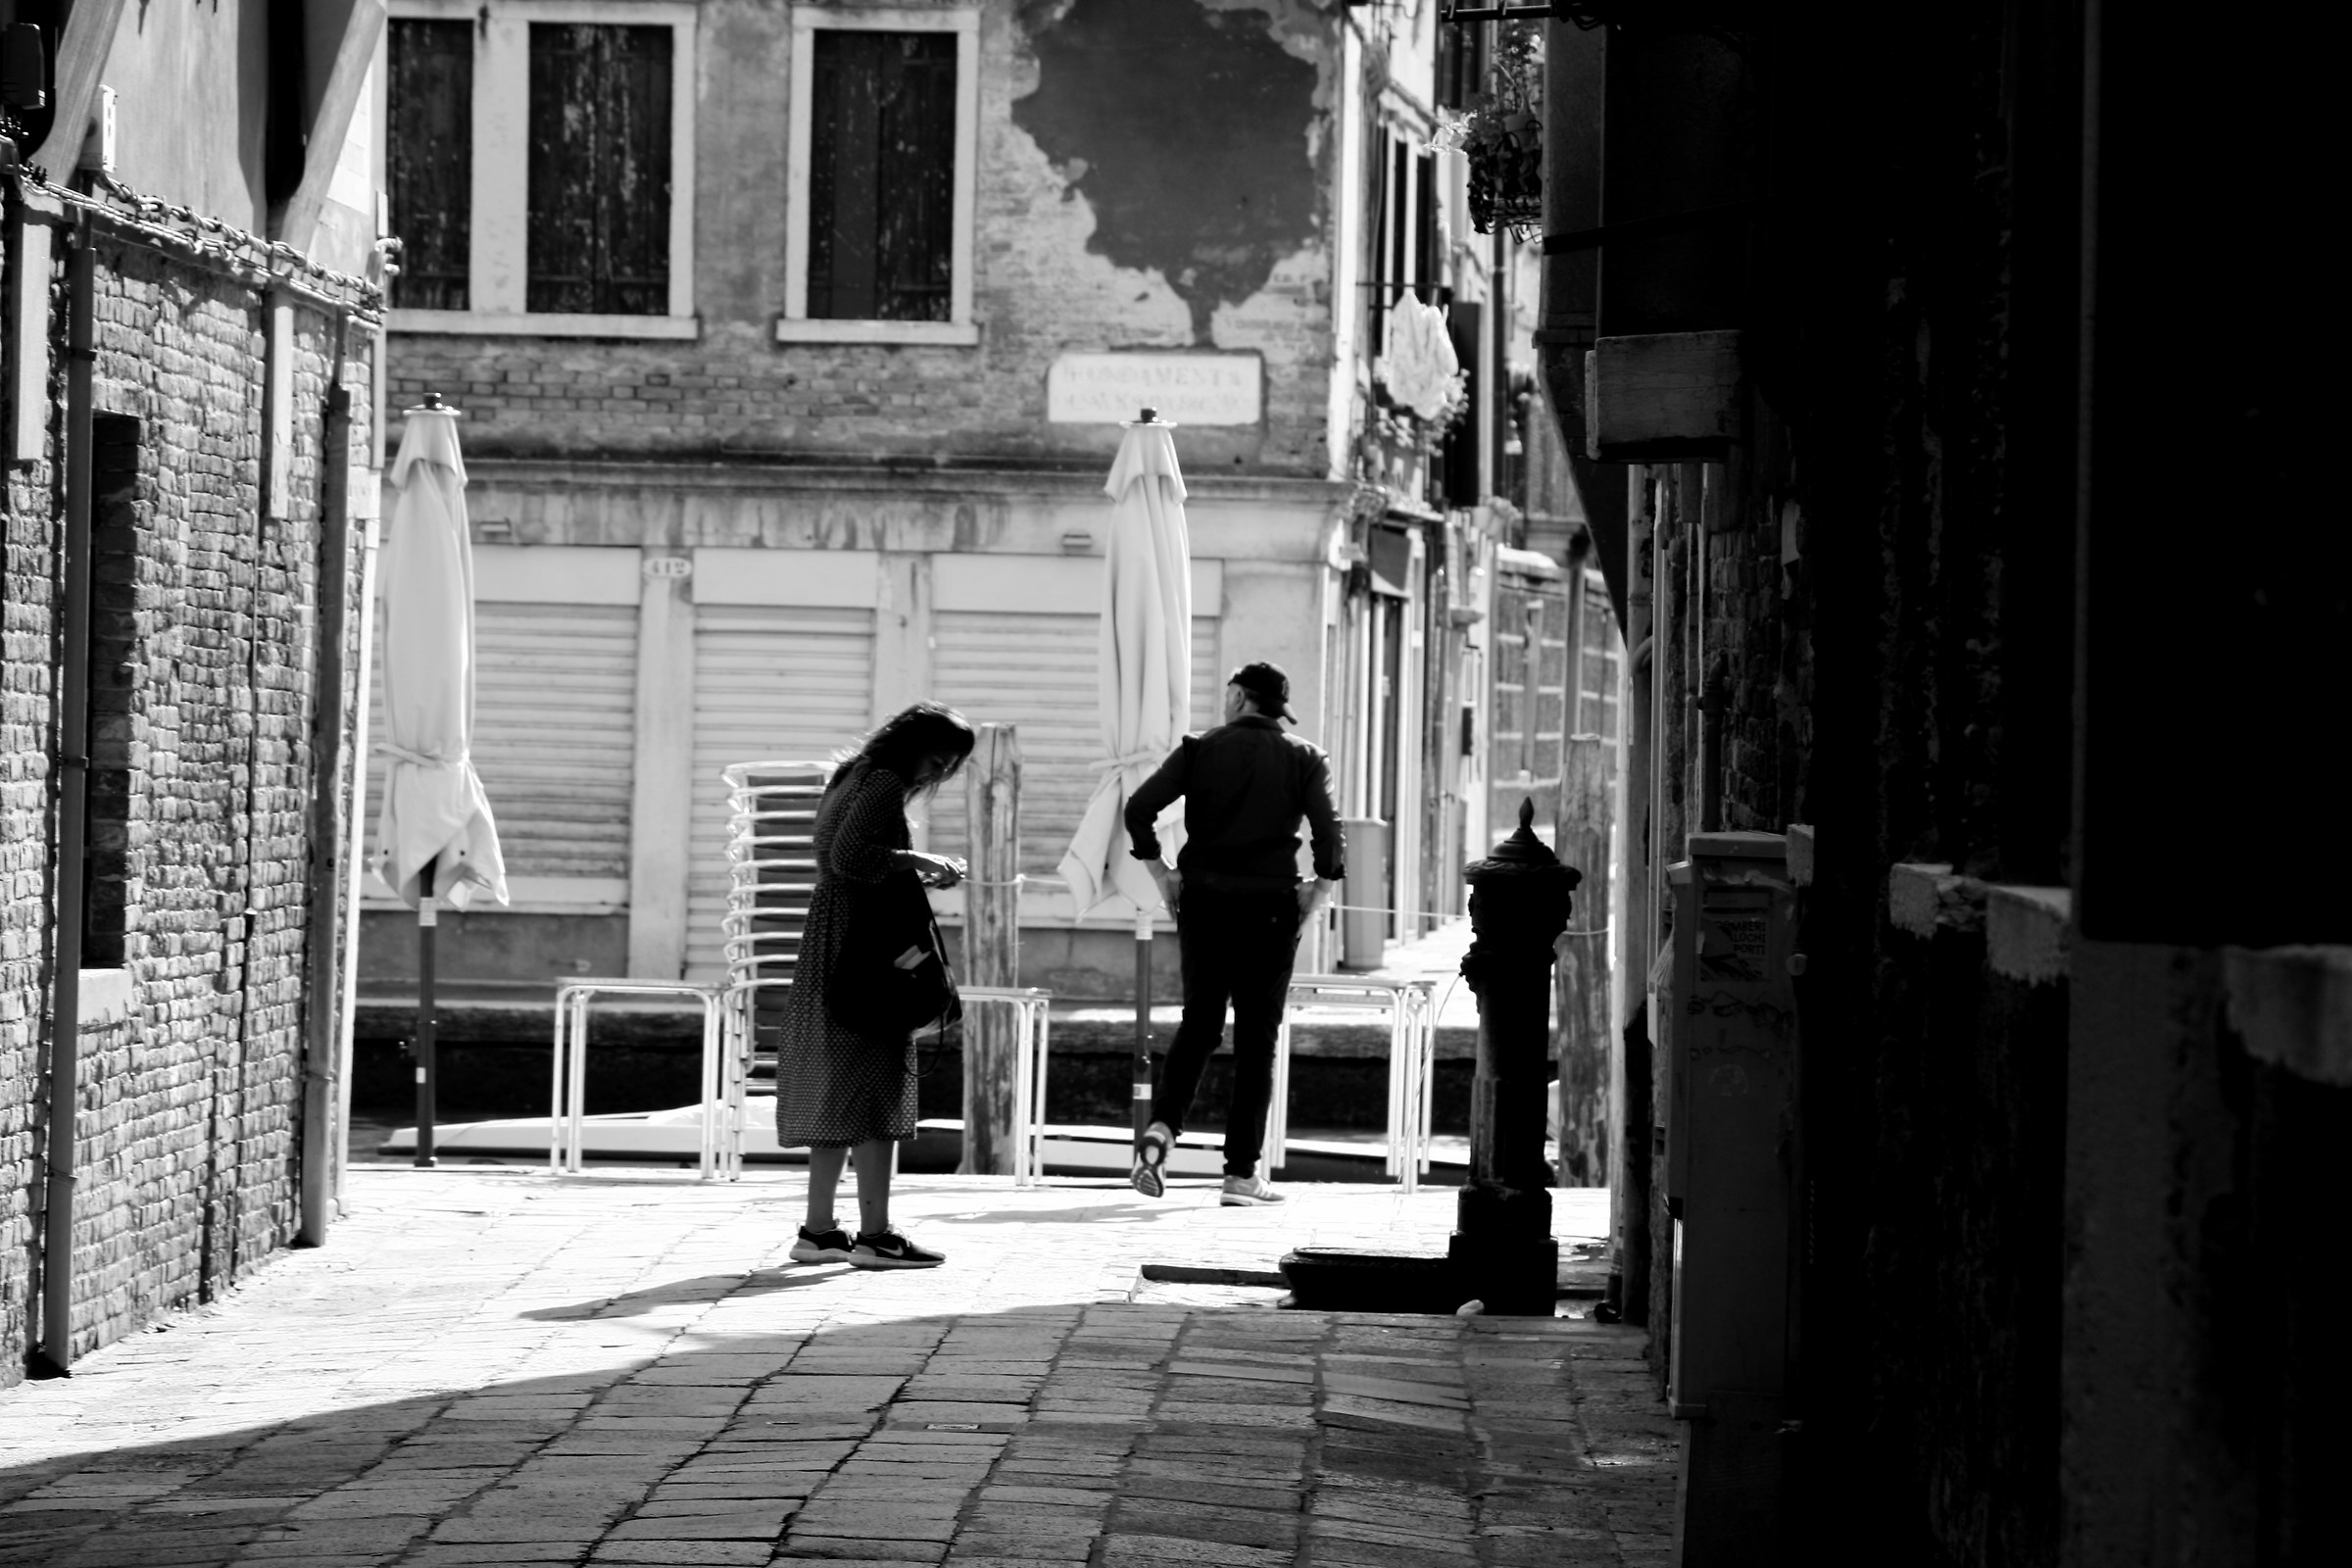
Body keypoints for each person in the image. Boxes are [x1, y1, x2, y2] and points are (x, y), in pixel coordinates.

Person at [1123, 662, 1345, 1205]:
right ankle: (1240, 1174)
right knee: (1256, 1040)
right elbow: (1328, 830)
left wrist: (1160, 871)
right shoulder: (1306, 757)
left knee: (1200, 1022)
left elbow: (1139, 809)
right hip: (1271, 907)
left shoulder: (1199, 748)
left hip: (1203, 900)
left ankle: (1163, 1130)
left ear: (1239, 696)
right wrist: (1320, 887)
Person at [776, 702, 974, 1268]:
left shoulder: (851, 773)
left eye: (950, 765)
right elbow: (852, 857)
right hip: (866, 950)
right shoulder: (885, 780)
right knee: (875, 1087)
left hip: (832, 940)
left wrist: (910, 869)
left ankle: (818, 1232)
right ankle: (877, 1236)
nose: (938, 772)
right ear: (912, 744)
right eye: (938, 758)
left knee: (837, 1083)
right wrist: (922, 860)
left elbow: (839, 861)